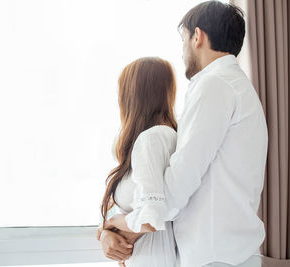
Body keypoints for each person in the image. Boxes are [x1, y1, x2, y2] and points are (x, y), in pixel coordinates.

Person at [98, 1, 268, 267]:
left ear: (197, 36)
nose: (182, 51)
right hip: (228, 254)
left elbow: (177, 186)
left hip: (216, 258)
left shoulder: (214, 86)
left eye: (183, 40)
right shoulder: (236, 86)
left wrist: (115, 225)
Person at [97, 56, 179, 267]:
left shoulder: (152, 140)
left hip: (154, 258)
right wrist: (107, 232)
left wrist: (112, 223)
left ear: (132, 97)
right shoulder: (158, 138)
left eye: (120, 93)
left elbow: (149, 218)